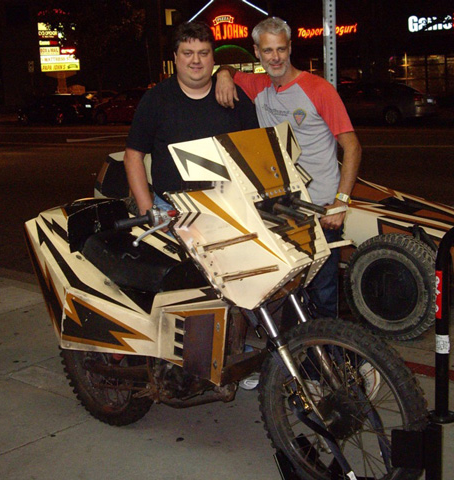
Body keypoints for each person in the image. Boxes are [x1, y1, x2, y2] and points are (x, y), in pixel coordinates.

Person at [215, 17, 362, 318]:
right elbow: (228, 68)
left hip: (321, 212)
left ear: (290, 47)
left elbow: (353, 147)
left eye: (281, 49)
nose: (276, 57)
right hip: (282, 211)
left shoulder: (318, 89)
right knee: (292, 295)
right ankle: (298, 360)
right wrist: (223, 76)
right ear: (256, 52)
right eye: (268, 51)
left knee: (323, 294)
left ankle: (330, 361)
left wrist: (341, 202)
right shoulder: (258, 87)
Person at [124, 21, 259, 216]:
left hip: (230, 209)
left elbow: (256, 150)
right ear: (176, 57)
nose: (196, 60)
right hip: (171, 211)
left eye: (203, 53)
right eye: (188, 53)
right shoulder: (156, 99)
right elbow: (133, 157)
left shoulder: (235, 97)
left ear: (213, 59)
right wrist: (149, 212)